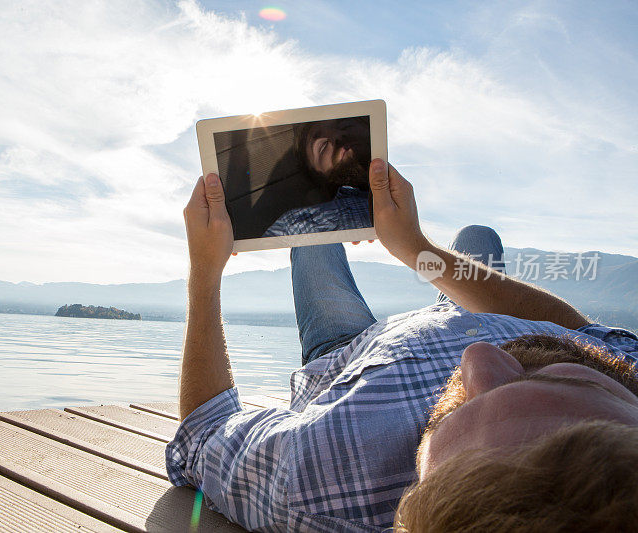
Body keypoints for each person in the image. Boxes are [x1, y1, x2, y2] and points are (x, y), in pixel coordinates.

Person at [167, 159, 638, 531]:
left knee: (310, 238)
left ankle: (326, 204)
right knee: (481, 237)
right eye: (559, 379)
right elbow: (581, 333)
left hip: (349, 351)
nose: (478, 360)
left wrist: (204, 271)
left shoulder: (322, 483)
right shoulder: (629, 369)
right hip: (464, 309)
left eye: (449, 417)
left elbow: (204, 431)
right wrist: (414, 248)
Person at [262, 118, 373, 237]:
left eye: (346, 126)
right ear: (319, 179)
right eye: (323, 146)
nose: (337, 136)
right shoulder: (297, 225)